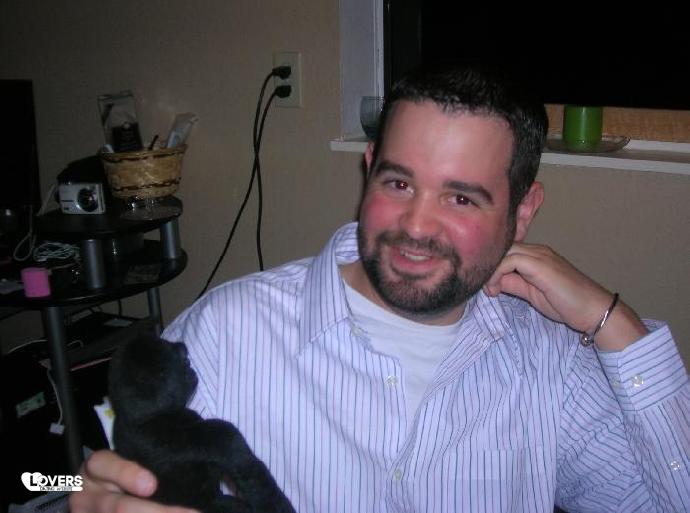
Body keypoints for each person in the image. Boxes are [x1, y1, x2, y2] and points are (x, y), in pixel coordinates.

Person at [71, 67, 689, 513]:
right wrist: (82, 490)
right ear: (369, 169)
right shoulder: (226, 330)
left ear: (522, 213)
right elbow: (49, 481)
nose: (416, 227)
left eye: (460, 198)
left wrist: (617, 324)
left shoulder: (551, 363)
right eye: (399, 184)